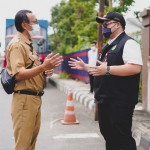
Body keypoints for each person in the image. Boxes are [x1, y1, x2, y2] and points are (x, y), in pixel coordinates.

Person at [69, 11, 142, 150]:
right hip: (106, 99)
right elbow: (101, 69)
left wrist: (107, 69)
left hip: (120, 101)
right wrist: (85, 67)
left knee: (123, 138)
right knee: (109, 136)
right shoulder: (109, 45)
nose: (104, 27)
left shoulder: (128, 43)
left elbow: (134, 68)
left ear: (118, 24)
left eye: (107, 24)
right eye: (103, 25)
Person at [6, 10, 63, 150]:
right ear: (25, 25)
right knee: (23, 146)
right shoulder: (17, 45)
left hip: (34, 99)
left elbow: (32, 70)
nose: (37, 25)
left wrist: (44, 70)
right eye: (35, 22)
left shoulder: (29, 44)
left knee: (31, 144)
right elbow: (18, 74)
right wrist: (43, 66)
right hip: (24, 100)